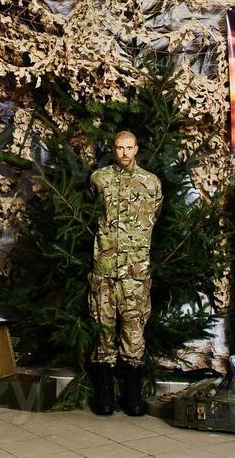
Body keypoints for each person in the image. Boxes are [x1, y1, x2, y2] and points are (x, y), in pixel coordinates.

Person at [88, 130, 162, 417]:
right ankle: (104, 396)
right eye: (119, 148)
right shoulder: (99, 179)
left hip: (135, 272)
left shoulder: (151, 183)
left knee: (134, 331)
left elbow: (154, 216)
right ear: (113, 149)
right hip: (104, 272)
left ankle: (132, 396)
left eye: (129, 147)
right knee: (103, 331)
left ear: (137, 148)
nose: (125, 153)